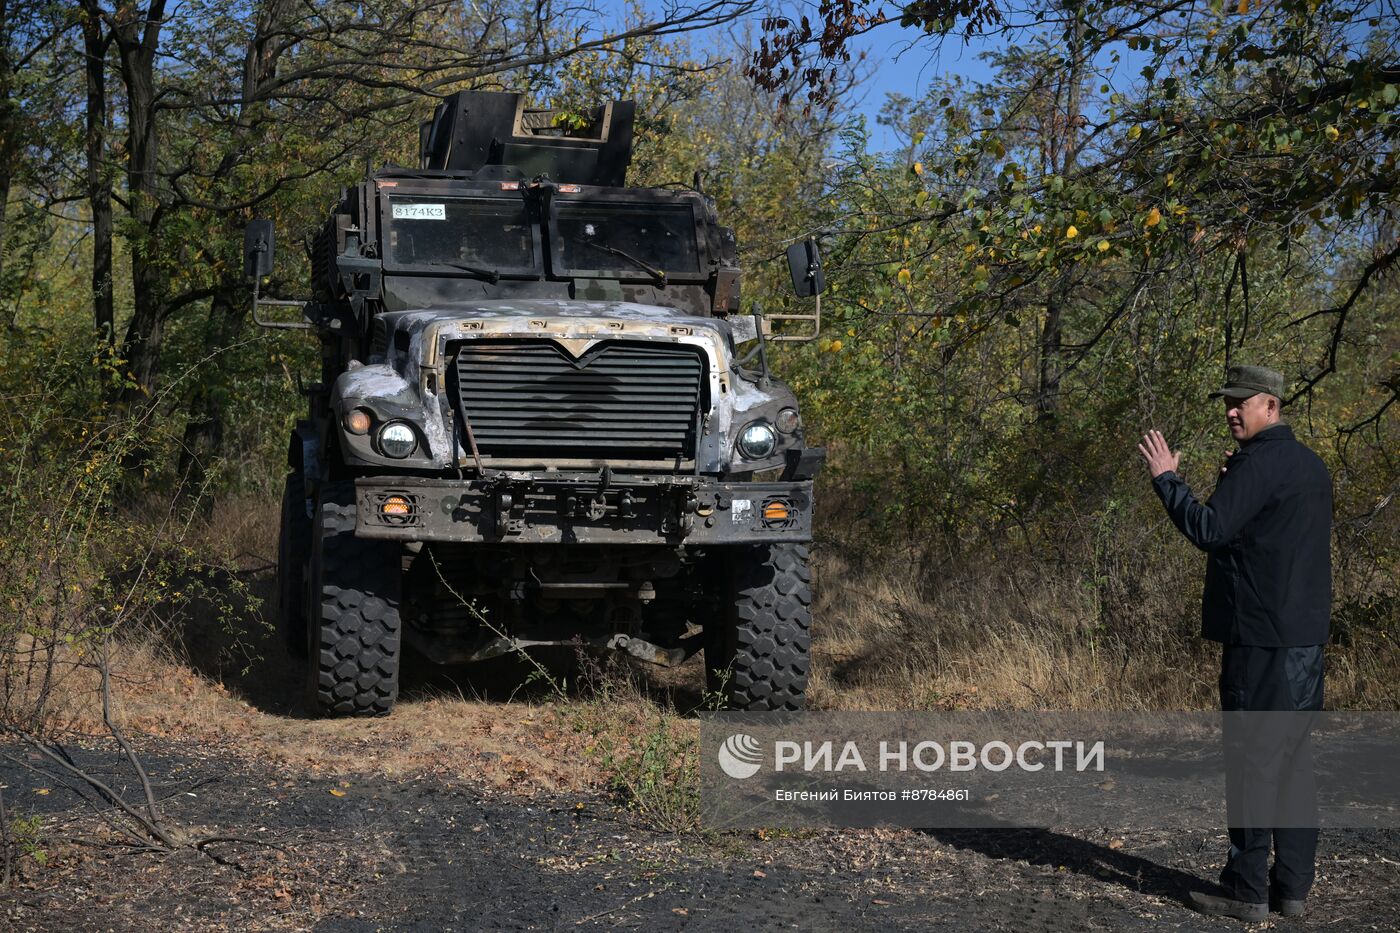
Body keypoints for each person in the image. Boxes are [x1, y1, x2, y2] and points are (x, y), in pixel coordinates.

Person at [1137, 364, 1332, 922]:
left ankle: (1246, 893)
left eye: (1240, 402)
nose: (1230, 409)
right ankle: (1291, 889)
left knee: (1252, 764)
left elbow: (1207, 530)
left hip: (1260, 644)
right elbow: (1266, 539)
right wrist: (1234, 481)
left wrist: (1167, 479)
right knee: (1293, 763)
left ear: (1270, 406)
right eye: (1227, 400)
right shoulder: (1309, 466)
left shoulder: (1261, 463)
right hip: (1305, 643)